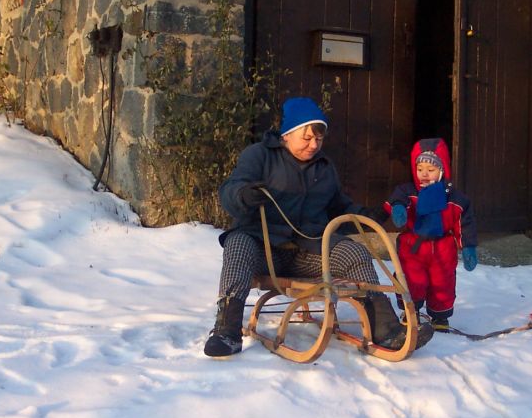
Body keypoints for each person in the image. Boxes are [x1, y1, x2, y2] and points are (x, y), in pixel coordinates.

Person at [203, 96, 429, 357]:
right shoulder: (259, 156)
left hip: (307, 252)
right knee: (238, 243)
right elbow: (230, 189)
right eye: (307, 138)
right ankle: (226, 330)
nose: (313, 145)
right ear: (287, 134)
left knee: (354, 252)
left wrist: (366, 216)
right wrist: (243, 194)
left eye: (319, 139)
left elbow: (338, 207)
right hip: (265, 250)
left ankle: (386, 330)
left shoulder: (324, 168)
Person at [385, 137, 478, 331]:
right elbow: (396, 199)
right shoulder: (409, 191)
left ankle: (440, 318)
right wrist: (398, 208)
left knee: (442, 282)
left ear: (442, 170)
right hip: (413, 246)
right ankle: (411, 311)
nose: (424, 174)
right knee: (412, 279)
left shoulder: (454, 198)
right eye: (420, 169)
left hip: (443, 247)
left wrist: (468, 247)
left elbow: (464, 223)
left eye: (431, 169)